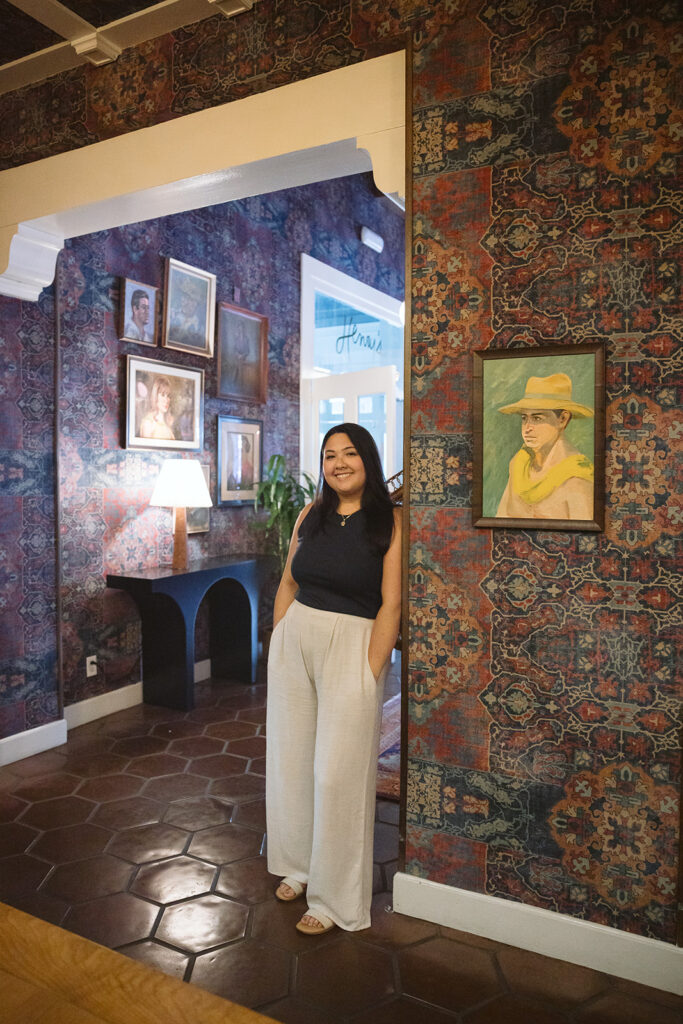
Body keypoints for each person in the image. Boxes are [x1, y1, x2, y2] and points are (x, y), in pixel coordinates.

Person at [266, 423, 402, 936]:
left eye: (348, 453)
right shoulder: (310, 514)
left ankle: (332, 898)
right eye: (329, 455)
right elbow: (287, 582)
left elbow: (391, 604)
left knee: (337, 774)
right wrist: (280, 640)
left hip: (353, 644)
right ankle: (298, 868)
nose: (338, 463)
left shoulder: (389, 522)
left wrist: (371, 671)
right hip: (296, 637)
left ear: (367, 459)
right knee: (293, 760)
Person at [495, 372, 594, 520]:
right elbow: (501, 519)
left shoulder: (578, 476)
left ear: (563, 419)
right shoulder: (519, 465)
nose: (527, 428)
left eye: (537, 418)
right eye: (524, 418)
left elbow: (584, 534)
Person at [139, 375, 176, 440]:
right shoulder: (148, 423)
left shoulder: (168, 424)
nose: (166, 400)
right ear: (155, 396)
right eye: (162, 395)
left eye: (168, 396)